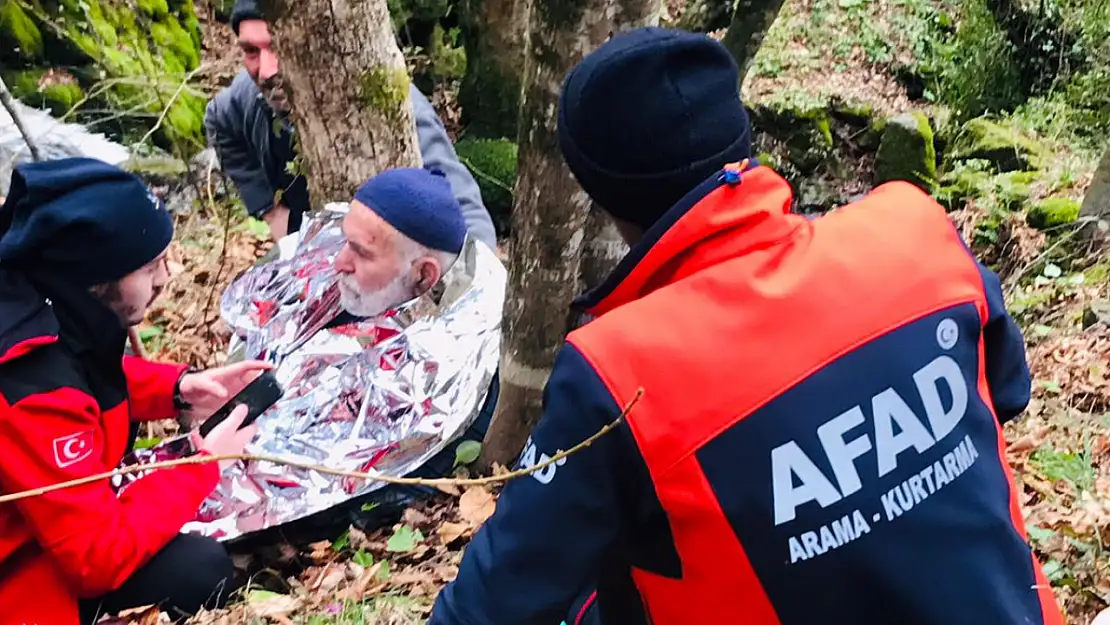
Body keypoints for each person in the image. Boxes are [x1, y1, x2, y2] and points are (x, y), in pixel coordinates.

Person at [428, 27, 1064, 625]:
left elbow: (492, 604)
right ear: (738, 134)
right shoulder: (914, 227)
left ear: (603, 193)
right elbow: (1005, 393)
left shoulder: (618, 371)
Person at [0, 157, 273, 625]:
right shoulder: (32, 389)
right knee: (199, 571)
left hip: (34, 534)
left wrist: (177, 387)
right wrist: (201, 465)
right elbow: (95, 558)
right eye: (149, 267)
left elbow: (87, 368)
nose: (165, 279)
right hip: (18, 577)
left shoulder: (39, 301)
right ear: (95, 278)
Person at [204, 0, 497, 247]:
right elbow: (217, 119)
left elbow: (465, 210)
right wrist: (268, 209)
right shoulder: (248, 95)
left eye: (279, 47)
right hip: (311, 246)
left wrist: (468, 289)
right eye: (251, 51)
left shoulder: (386, 102)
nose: (266, 71)